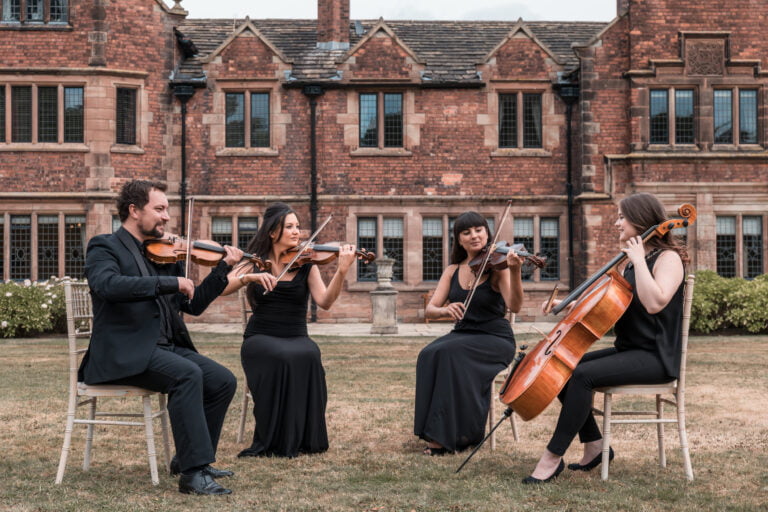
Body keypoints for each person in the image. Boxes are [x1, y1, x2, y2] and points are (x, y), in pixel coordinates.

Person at [80, 180, 241, 495]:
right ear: (134, 210)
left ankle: (188, 459)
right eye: (159, 209)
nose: (167, 217)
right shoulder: (105, 246)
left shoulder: (163, 254)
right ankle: (193, 477)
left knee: (222, 380)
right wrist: (169, 284)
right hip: (124, 352)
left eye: (167, 209)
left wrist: (221, 270)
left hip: (163, 349)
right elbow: (107, 285)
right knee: (187, 375)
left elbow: (191, 305)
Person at [523, 192, 687, 484]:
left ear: (641, 219)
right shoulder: (629, 263)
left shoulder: (668, 259)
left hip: (656, 357)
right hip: (629, 350)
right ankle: (596, 446)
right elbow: (615, 306)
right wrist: (575, 306)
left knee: (582, 375)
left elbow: (654, 303)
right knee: (565, 367)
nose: (616, 223)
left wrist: (637, 261)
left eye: (622, 217)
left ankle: (552, 457)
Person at [221, 202, 356, 458]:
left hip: (295, 335)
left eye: (298, 226)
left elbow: (325, 302)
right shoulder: (255, 261)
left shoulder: (306, 263)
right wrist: (248, 277)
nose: (297, 232)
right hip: (260, 337)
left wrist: (342, 270)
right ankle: (275, 437)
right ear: (273, 232)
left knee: (309, 353)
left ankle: (303, 436)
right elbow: (224, 286)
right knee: (283, 356)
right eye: (290, 227)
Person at [414, 211, 524, 455]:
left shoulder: (499, 268)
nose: (474, 236)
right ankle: (433, 430)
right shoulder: (453, 270)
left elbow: (515, 306)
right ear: (459, 239)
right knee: (429, 353)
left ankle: (458, 435)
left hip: (494, 339)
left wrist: (515, 271)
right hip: (463, 334)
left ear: (487, 233)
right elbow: (429, 310)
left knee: (448, 353)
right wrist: (445, 310)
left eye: (479, 230)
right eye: (467, 232)